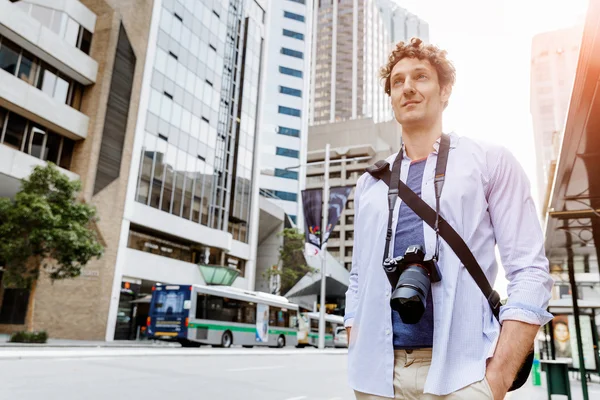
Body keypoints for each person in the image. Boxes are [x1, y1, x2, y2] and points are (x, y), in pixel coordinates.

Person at [344, 38, 554, 399]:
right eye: (397, 81)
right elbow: (359, 279)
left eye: (421, 77)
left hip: (465, 372)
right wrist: (356, 345)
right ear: (391, 97)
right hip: (377, 377)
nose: (407, 87)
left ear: (445, 90)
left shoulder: (490, 161)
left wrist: (498, 376)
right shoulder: (370, 184)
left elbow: (529, 271)